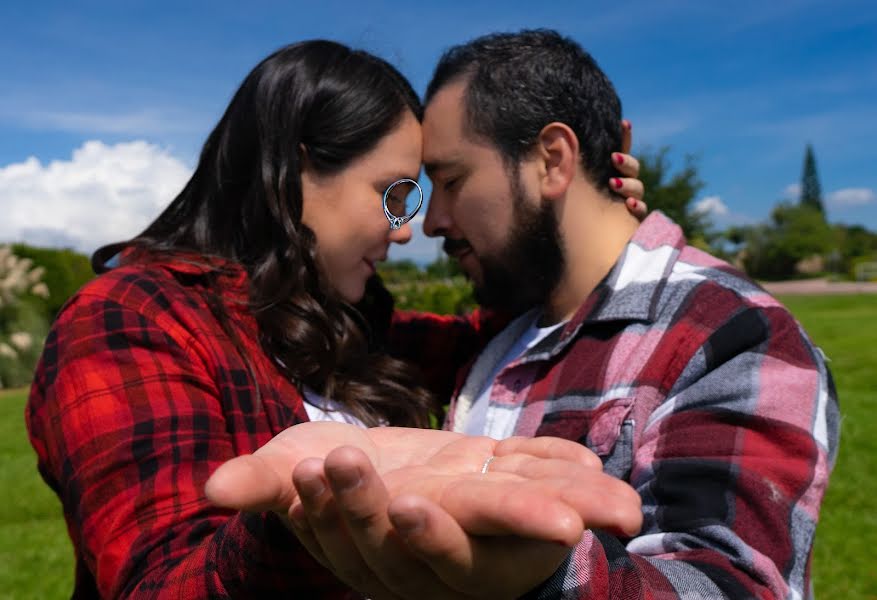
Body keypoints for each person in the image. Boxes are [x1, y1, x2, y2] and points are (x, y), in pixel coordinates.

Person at [210, 30, 840, 599]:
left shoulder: (730, 333)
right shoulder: (508, 334)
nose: (430, 224)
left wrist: (541, 576)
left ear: (552, 161)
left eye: (450, 181)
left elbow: (730, 585)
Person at [25, 39, 646, 598]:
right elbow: (158, 584)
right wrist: (322, 523)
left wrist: (582, 227)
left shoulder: (341, 325)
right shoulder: (130, 321)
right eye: (394, 194)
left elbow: (499, 335)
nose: (407, 231)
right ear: (294, 170)